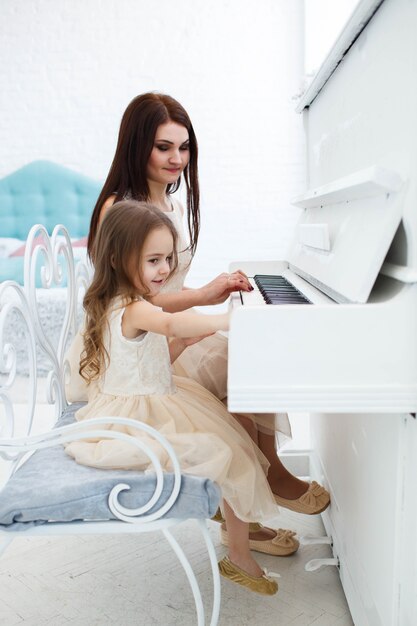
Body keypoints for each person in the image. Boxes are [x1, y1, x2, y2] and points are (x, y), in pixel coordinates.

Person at [68, 92, 329, 553]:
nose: (177, 159)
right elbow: (139, 302)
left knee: (247, 358)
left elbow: (165, 290)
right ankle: (265, 484)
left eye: (184, 147)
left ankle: (254, 495)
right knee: (244, 359)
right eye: (163, 147)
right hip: (135, 350)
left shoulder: (163, 200)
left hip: (162, 330)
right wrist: (208, 307)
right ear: (136, 146)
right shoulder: (120, 207)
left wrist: (208, 294)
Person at [65, 200, 281, 595]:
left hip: (144, 397)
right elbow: (168, 322)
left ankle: (239, 545)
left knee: (235, 433)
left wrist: (182, 345)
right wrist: (226, 320)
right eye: (153, 261)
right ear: (117, 259)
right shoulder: (135, 308)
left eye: (167, 258)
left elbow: (141, 362)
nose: (164, 269)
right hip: (142, 415)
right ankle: (239, 555)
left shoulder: (118, 302)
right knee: (230, 450)